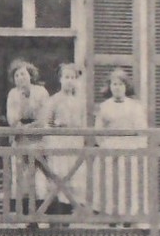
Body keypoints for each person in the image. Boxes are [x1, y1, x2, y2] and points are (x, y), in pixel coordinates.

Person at [93, 67, 148, 218]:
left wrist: (138, 148)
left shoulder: (135, 106)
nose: (117, 88)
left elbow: (142, 130)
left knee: (128, 184)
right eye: (114, 84)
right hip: (110, 148)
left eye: (120, 84)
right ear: (110, 87)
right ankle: (111, 216)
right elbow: (98, 131)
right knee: (110, 184)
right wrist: (105, 145)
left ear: (126, 86)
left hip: (130, 148)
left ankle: (128, 216)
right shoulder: (104, 107)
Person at [42, 63, 92, 214]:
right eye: (66, 77)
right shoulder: (54, 100)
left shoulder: (80, 102)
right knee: (59, 175)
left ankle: (71, 211)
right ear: (60, 79)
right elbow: (47, 124)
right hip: (59, 142)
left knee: (74, 175)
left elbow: (83, 124)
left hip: (74, 142)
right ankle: (57, 212)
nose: (69, 80)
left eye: (73, 77)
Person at [5, 60, 49, 216]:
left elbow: (43, 118)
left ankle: (40, 213)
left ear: (30, 75)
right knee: (21, 178)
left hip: (38, 140)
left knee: (39, 178)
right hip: (21, 140)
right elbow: (12, 119)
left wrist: (27, 127)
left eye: (23, 74)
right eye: (16, 75)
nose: (20, 77)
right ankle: (25, 217)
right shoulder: (12, 94)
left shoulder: (41, 92)